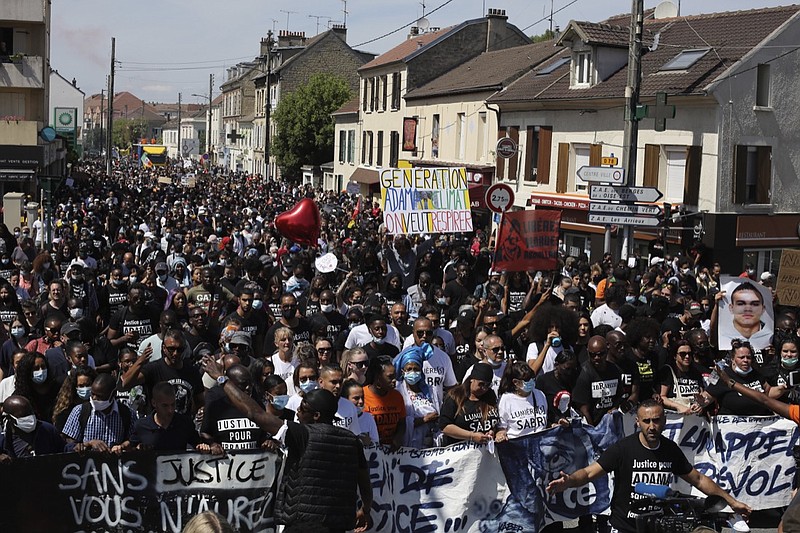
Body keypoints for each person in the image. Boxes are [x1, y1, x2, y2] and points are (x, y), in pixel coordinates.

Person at [202, 357, 373, 533]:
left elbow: (254, 412)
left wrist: (221, 379)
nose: (297, 412)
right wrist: (365, 510)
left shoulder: (302, 434)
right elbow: (365, 482)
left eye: (303, 409)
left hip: (303, 524)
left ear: (316, 415)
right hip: (338, 526)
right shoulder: (352, 441)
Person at [546, 399, 751, 533]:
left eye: (656, 420)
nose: (651, 426)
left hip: (658, 526)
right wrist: (569, 481)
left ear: (663, 421)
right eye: (646, 421)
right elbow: (590, 472)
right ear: (637, 422)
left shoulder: (670, 449)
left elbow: (697, 479)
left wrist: (731, 502)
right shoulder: (623, 449)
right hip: (625, 526)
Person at [61, 373, 138, 453]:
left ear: (113, 394)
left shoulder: (127, 414)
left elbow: (134, 441)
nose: (94, 398)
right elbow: (68, 443)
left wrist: (122, 446)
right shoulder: (79, 411)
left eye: (99, 396)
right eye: (93, 394)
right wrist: (87, 444)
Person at [132, 381, 217, 452]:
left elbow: (197, 444)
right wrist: (137, 448)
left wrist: (202, 447)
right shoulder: (141, 426)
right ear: (154, 403)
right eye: (165, 406)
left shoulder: (185, 424)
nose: (170, 410)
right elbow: (130, 449)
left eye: (173, 405)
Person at [439, 363, 499, 446]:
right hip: (461, 450)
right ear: (472, 379)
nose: (484, 388)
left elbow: (495, 420)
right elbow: (445, 426)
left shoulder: (490, 395)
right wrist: (471, 436)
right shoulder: (455, 396)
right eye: (481, 384)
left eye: (487, 385)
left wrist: (493, 431)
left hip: (486, 451)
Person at [394, 344, 439, 448]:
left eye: (416, 369)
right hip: (409, 445)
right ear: (403, 371)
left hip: (430, 443)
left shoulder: (430, 390)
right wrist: (424, 419)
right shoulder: (398, 392)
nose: (413, 372)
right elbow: (400, 422)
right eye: (409, 369)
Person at [495, 361, 549, 442]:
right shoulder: (506, 400)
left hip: (541, 445)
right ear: (516, 382)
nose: (531, 381)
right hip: (518, 448)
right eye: (527, 380)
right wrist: (501, 434)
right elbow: (502, 428)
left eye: (532, 378)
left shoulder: (539, 394)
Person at [0, 395, 66, 459]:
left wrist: (73, 447)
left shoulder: (48, 430)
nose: (29, 418)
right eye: (23, 415)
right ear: (10, 418)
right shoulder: (4, 438)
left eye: (30, 413)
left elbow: (64, 451)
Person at [363, 355, 405, 447]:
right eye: (390, 377)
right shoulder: (362, 396)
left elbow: (402, 422)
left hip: (392, 451)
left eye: (395, 376)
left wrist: (397, 439)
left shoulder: (397, 396)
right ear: (378, 377)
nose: (394, 380)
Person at [342, 379, 379, 445]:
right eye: (356, 398)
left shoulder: (368, 418)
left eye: (362, 397)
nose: (361, 401)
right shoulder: (339, 419)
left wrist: (369, 442)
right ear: (345, 399)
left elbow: (376, 443)